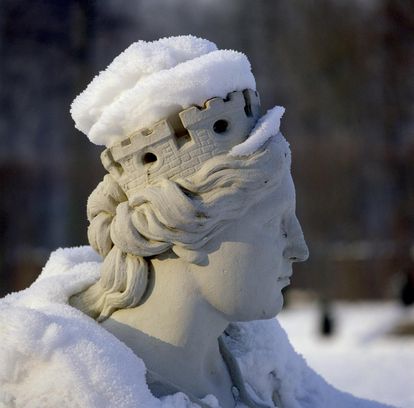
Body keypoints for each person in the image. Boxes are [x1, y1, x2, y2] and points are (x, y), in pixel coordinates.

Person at [0, 36, 389, 408]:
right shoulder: (64, 389)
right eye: (275, 222)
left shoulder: (259, 362)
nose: (299, 248)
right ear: (182, 223)